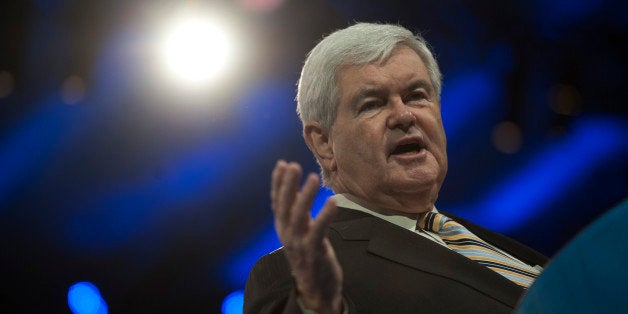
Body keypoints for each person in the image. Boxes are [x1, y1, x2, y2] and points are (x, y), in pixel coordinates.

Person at [244, 22, 548, 314]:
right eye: (373, 104)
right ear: (324, 143)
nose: (404, 115)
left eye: (416, 96)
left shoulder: (477, 235)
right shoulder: (299, 271)